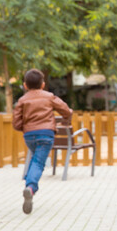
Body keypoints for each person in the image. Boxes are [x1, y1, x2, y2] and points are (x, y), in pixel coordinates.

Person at [13, 69, 73, 214]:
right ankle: (31, 187)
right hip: (46, 134)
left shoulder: (22, 100)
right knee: (39, 162)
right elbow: (66, 110)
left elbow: (16, 123)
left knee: (35, 160)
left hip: (29, 135)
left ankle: (29, 181)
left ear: (25, 85)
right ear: (43, 84)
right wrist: (66, 121)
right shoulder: (49, 96)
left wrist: (25, 127)